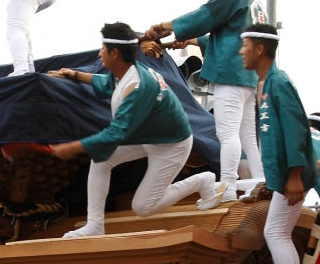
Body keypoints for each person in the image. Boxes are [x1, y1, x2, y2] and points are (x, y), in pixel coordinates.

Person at [48, 22, 221, 240]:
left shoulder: (139, 87)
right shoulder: (127, 71)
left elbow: (115, 134)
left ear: (115, 53)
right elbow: (108, 82)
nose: (100, 52)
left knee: (143, 207)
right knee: (101, 159)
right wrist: (74, 74)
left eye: (103, 48)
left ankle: (201, 180)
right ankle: (95, 225)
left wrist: (71, 148)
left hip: (171, 146)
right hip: (149, 136)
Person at [142, 0, 268, 200]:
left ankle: (228, 186)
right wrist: (192, 39)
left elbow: (204, 15)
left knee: (227, 134)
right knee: (248, 138)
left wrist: (165, 26)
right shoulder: (254, 3)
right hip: (248, 76)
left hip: (231, 74)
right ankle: (260, 182)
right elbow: (230, 37)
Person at [236, 23, 317, 264]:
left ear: (259, 49)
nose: (240, 52)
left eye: (245, 46)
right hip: (283, 176)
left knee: (276, 233)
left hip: (291, 176)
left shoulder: (279, 82)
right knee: (277, 232)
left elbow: (296, 128)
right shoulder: (266, 82)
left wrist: (294, 176)